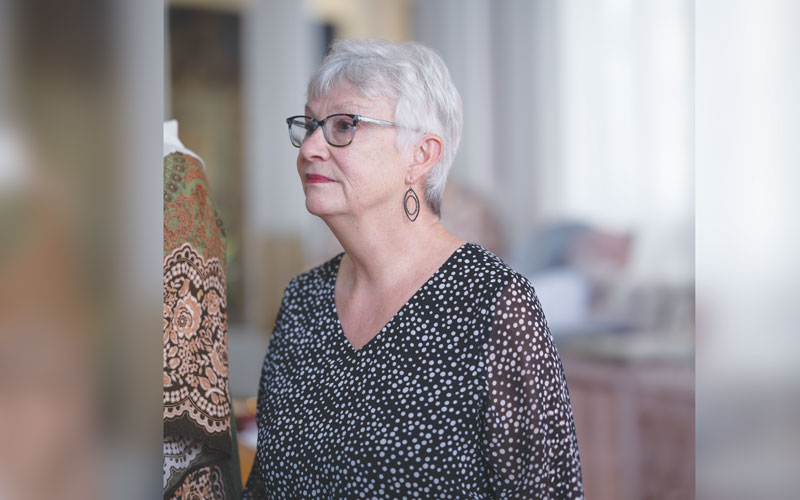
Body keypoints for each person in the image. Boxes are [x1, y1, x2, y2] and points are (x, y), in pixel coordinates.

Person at [243, 39, 583, 499]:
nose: (310, 148)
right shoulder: (303, 301)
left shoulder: (493, 304)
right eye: (310, 125)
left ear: (421, 155)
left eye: (344, 125)